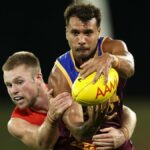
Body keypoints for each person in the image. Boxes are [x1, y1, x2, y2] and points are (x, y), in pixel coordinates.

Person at [48, 3, 136, 150]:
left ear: (98, 32)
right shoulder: (60, 75)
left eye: (88, 33)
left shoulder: (111, 48)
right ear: (66, 33)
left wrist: (112, 59)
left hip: (115, 137)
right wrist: (93, 123)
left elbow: (130, 66)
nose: (81, 40)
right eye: (75, 33)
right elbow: (77, 131)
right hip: (77, 143)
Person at [2, 51, 73, 150]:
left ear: (38, 78)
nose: (13, 90)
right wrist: (51, 118)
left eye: (19, 82)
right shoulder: (16, 123)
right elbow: (43, 145)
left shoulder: (66, 90)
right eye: (9, 85)